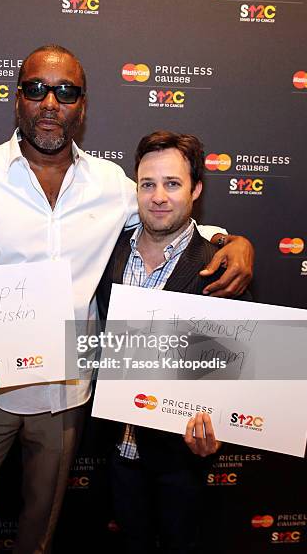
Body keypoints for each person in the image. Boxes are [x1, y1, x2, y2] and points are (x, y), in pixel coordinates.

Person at [0, 45, 253, 554]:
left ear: (82, 105)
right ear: (17, 100)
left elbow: (164, 215)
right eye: (36, 88)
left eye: (66, 91)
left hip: (66, 393)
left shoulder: (110, 185)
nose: (50, 102)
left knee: (41, 525)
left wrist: (233, 242)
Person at [96, 130, 252, 554]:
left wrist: (220, 430)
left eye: (172, 184)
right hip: (117, 450)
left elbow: (239, 370)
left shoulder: (220, 267)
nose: (158, 196)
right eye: (147, 184)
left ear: (196, 189)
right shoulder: (107, 254)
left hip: (181, 458)